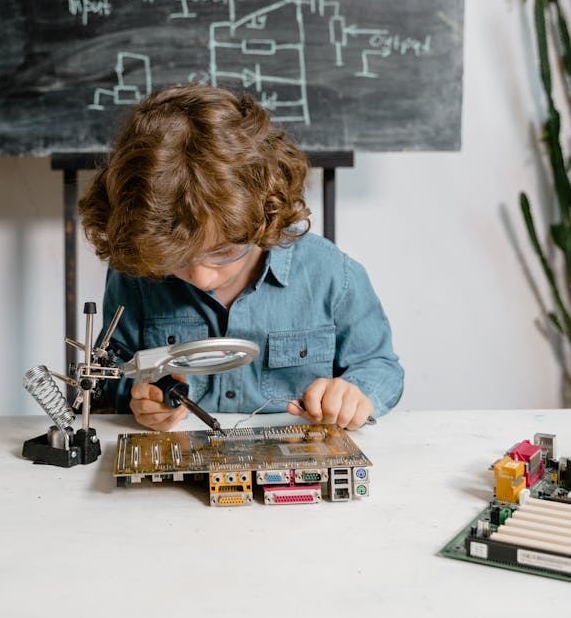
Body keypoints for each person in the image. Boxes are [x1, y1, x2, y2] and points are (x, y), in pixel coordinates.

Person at [79, 84, 403, 432]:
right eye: (177, 259)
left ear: (267, 212)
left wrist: (357, 394)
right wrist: (142, 397)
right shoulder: (137, 273)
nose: (202, 277)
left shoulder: (331, 275)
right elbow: (111, 369)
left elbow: (379, 365)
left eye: (223, 252)